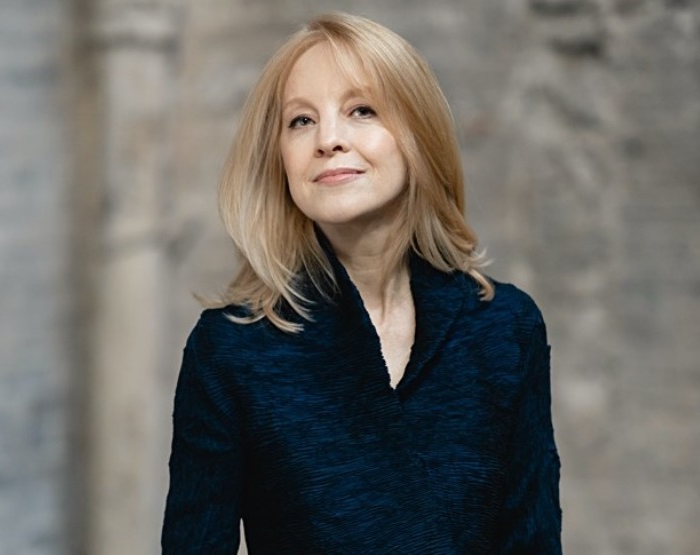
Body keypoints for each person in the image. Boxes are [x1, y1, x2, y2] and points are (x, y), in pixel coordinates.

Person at [161, 12, 561, 554]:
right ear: (279, 158)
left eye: (361, 110)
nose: (328, 139)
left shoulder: (506, 329)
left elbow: (533, 542)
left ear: (418, 133)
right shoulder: (231, 349)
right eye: (301, 120)